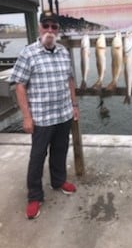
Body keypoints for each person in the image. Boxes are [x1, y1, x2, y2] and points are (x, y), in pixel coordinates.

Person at [10, 11, 80, 219]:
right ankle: (34, 196)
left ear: (58, 30)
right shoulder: (28, 53)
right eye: (46, 26)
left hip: (63, 114)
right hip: (41, 117)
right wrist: (26, 117)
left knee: (60, 150)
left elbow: (70, 80)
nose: (50, 30)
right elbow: (19, 86)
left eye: (54, 27)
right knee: (38, 156)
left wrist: (74, 105)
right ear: (40, 28)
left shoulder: (63, 52)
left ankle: (58, 181)